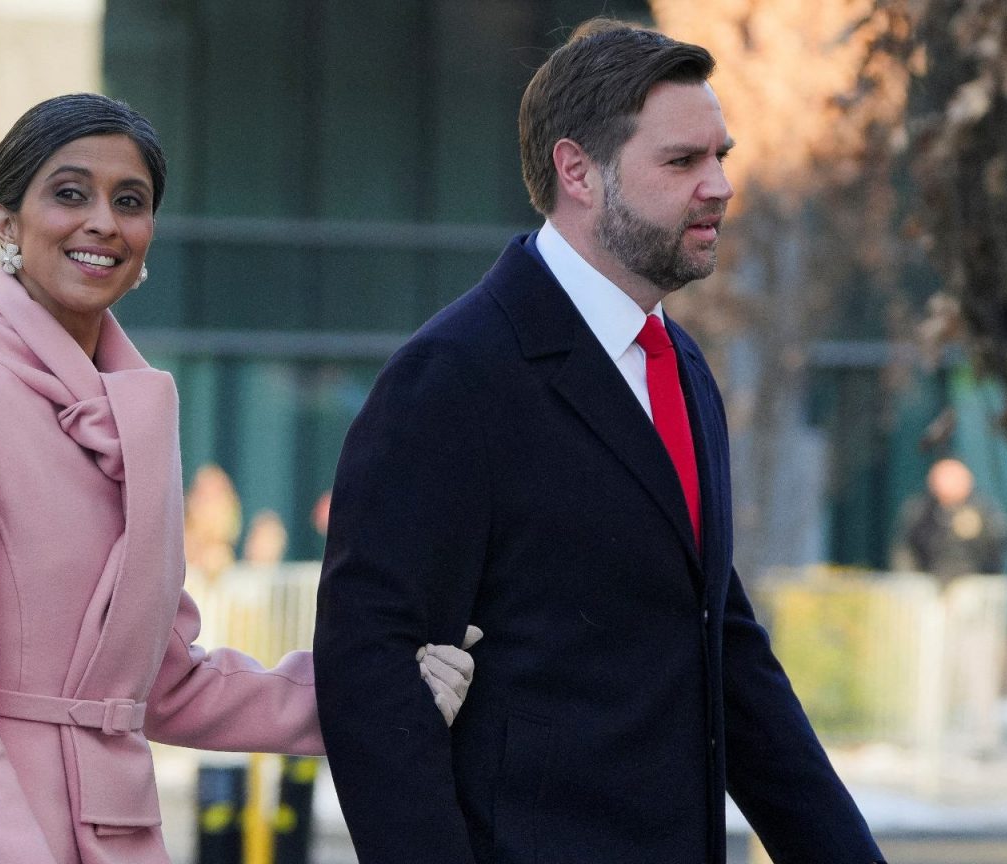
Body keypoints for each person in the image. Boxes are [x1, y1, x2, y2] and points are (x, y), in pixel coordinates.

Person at [0, 93, 475, 864]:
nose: (103, 221)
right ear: (5, 223)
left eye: (129, 201)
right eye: (70, 194)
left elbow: (168, 686)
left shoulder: (142, 424)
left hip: (115, 830)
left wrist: (381, 692)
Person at [313, 20, 884, 864]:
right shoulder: (454, 376)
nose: (721, 185)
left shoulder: (682, 367)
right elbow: (371, 674)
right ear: (576, 170)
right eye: (682, 161)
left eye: (721, 156)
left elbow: (723, 650)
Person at [891, 456, 1007, 583]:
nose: (948, 484)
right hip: (930, 582)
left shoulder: (983, 510)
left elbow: (997, 546)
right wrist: (911, 579)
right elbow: (905, 549)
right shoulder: (921, 511)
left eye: (955, 479)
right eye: (944, 478)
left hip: (975, 582)